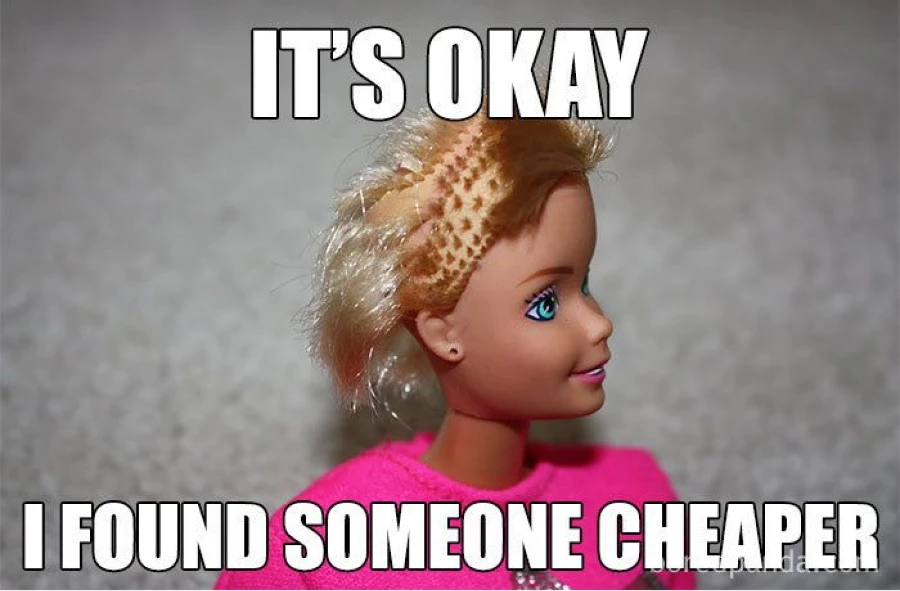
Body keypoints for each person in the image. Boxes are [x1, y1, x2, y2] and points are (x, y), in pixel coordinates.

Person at [216, 109, 695, 590]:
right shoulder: (323, 549)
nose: (599, 323)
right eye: (545, 304)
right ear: (443, 332)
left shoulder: (637, 501)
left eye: (585, 283)